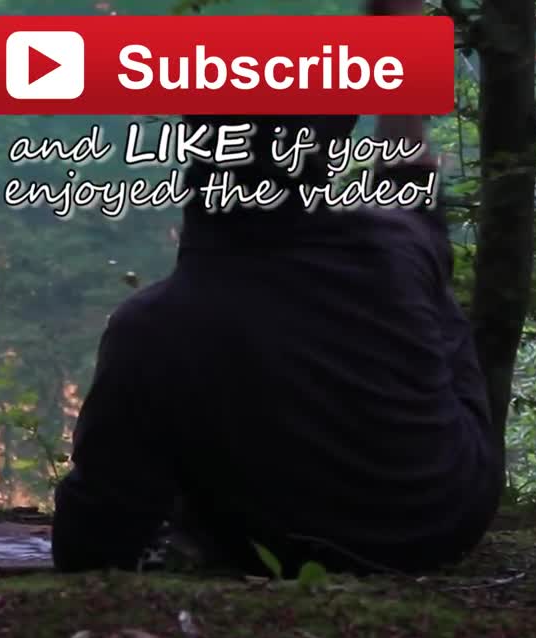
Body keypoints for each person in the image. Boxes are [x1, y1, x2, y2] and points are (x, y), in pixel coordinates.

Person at [49, 113, 504, 577]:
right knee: (426, 268)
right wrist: (401, 115)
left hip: (282, 548)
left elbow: (92, 537)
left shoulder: (151, 326)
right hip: (448, 519)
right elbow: (414, 187)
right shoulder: (395, 246)